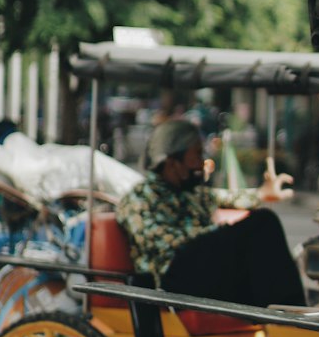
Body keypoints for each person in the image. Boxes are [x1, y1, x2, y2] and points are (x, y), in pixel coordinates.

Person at [115, 118, 306, 305]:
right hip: (172, 282)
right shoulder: (138, 199)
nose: (201, 164)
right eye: (197, 155)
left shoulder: (194, 194)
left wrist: (263, 194)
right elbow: (164, 243)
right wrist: (221, 233)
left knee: (263, 227)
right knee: (263, 222)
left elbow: (229, 198)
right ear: (173, 162)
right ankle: (292, 317)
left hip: (204, 274)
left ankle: (287, 315)